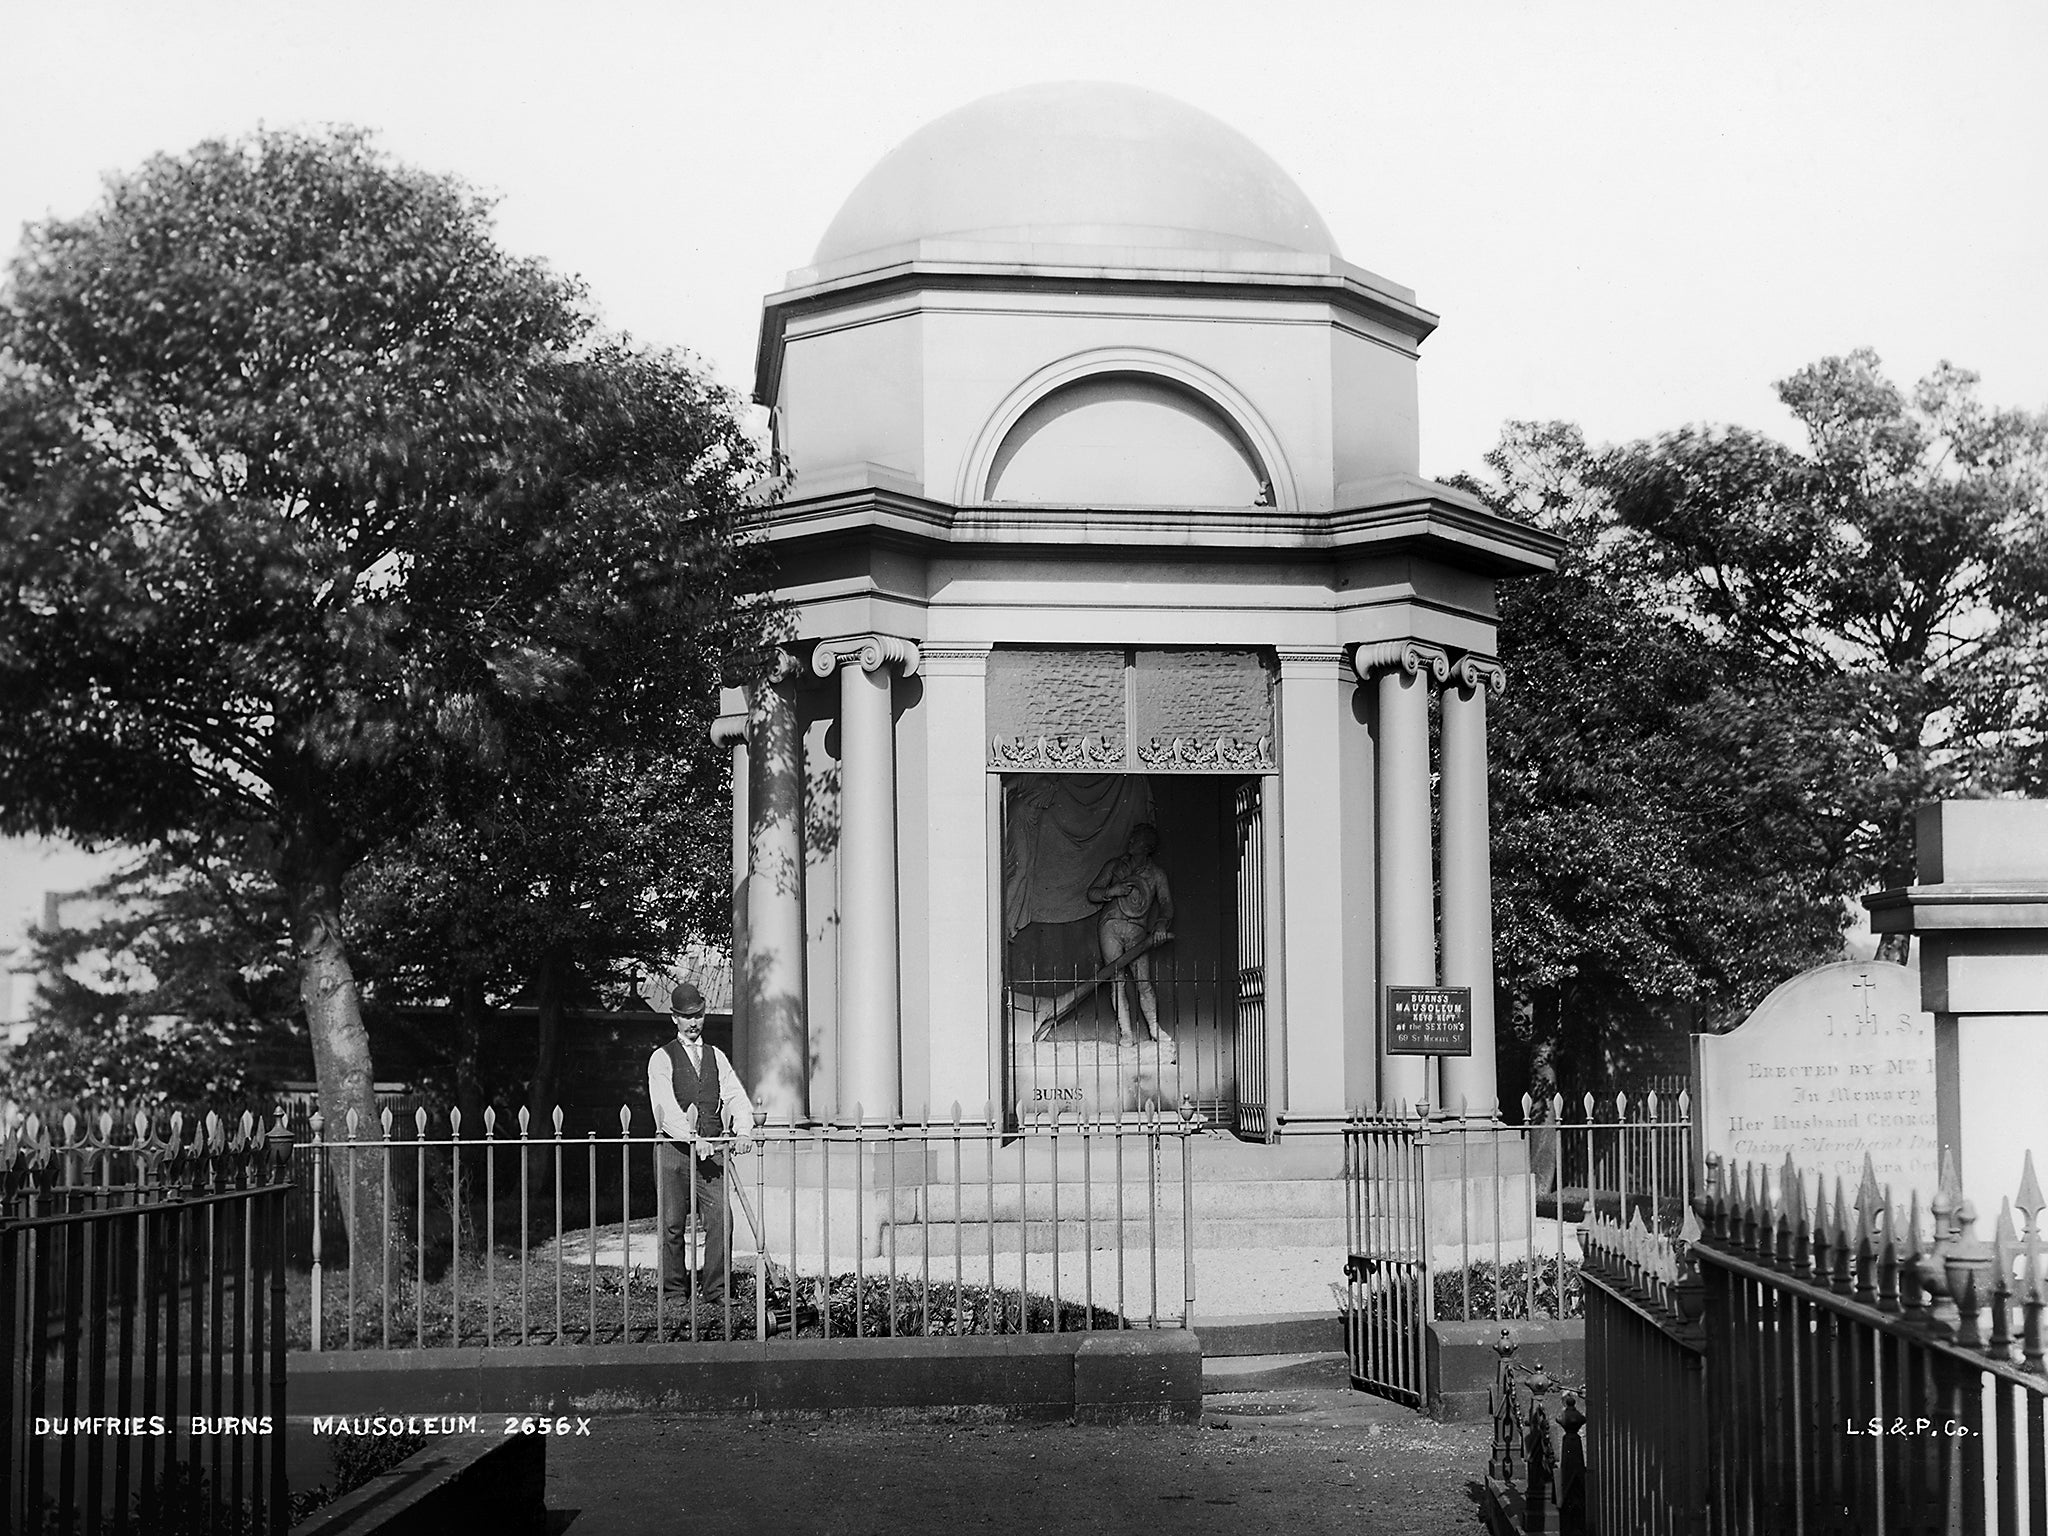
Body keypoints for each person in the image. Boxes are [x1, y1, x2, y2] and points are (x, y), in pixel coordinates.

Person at [644, 979, 754, 1300]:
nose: (693, 1022)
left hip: (713, 1151)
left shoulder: (716, 1056)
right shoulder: (661, 1058)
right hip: (674, 1150)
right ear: (674, 1018)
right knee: (672, 1225)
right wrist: (692, 1137)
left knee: (722, 1219)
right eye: (686, 1016)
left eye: (698, 1015)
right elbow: (663, 1107)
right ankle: (675, 1291)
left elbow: (734, 1095)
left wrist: (744, 1129)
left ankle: (716, 1289)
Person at [1086, 823, 1175, 1046]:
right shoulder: (1115, 866)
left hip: (1137, 929)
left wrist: (1162, 924)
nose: (1130, 842)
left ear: (1146, 847)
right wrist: (1111, 891)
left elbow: (1166, 904)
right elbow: (1092, 892)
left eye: (1135, 840)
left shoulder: (1156, 874)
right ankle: (1126, 1032)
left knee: (1143, 981)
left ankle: (1155, 1029)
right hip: (1110, 926)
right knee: (1117, 980)